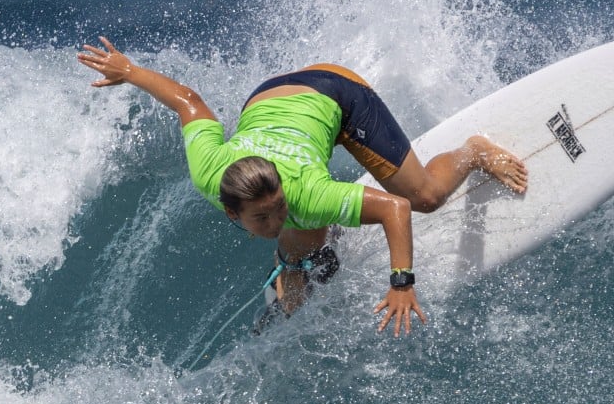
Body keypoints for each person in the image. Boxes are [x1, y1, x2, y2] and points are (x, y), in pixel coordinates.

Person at [77, 37, 528, 336]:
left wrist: (402, 283)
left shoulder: (306, 195)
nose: (274, 219)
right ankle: (293, 284)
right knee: (298, 247)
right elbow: (189, 103)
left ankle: (473, 152)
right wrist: (129, 72)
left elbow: (396, 209)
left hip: (338, 93)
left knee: (425, 196)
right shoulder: (210, 170)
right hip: (268, 94)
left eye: (277, 208)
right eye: (262, 216)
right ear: (231, 210)